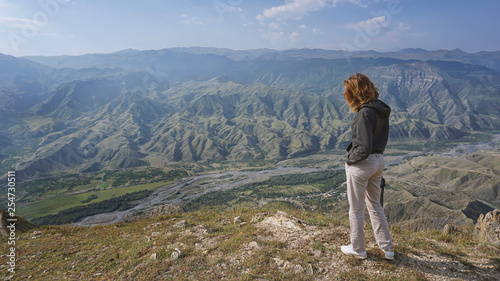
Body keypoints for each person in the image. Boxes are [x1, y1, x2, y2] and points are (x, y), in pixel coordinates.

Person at [340, 73, 394, 260]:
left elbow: (363, 147)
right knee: (375, 206)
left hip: (363, 163)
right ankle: (388, 249)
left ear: (354, 92)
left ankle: (358, 249)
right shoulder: (380, 110)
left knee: (355, 209)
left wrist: (349, 160)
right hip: (379, 160)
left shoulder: (364, 113)